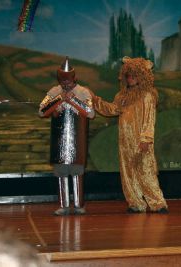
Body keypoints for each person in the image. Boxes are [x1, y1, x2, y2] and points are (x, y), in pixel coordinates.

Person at [91, 57, 168, 214]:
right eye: (128, 75)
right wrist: (94, 100)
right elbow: (111, 109)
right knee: (128, 173)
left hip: (141, 141)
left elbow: (149, 118)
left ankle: (157, 203)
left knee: (146, 171)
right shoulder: (122, 96)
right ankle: (136, 203)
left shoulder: (148, 95)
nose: (131, 78)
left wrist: (146, 139)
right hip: (125, 142)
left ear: (142, 76)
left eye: (134, 75)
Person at [39, 57, 94, 216]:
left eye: (68, 81)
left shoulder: (83, 92)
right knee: (61, 171)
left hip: (78, 139)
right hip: (60, 138)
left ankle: (78, 205)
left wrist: (74, 100)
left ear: (74, 78)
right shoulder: (53, 92)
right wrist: (58, 100)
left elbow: (90, 113)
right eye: (63, 82)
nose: (65, 84)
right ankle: (63, 205)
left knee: (77, 171)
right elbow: (41, 111)